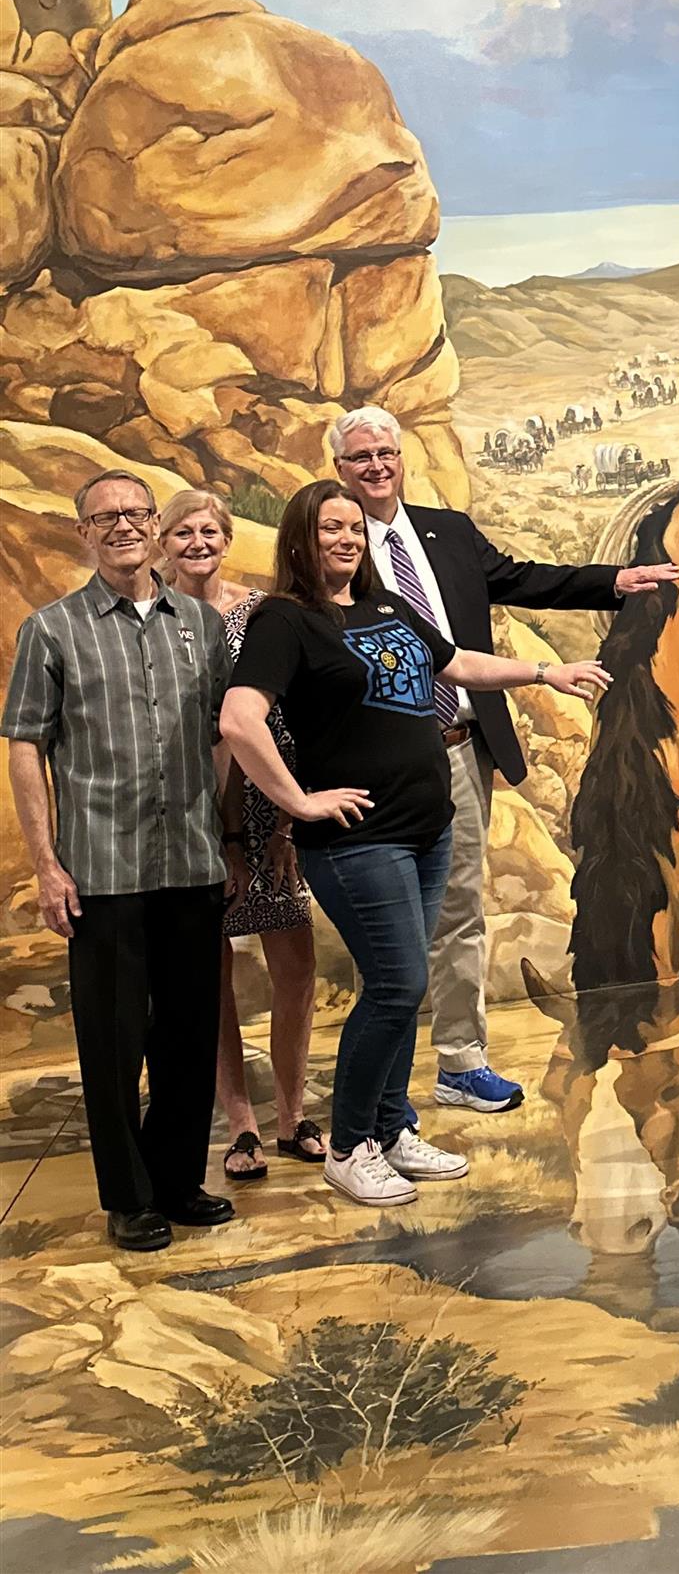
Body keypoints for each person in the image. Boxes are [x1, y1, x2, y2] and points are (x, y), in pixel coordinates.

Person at [220, 479, 612, 1207]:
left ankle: (392, 1127)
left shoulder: (388, 606)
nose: (345, 538)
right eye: (329, 527)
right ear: (300, 539)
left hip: (427, 829)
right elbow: (240, 719)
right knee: (397, 986)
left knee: (402, 988)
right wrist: (297, 801)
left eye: (353, 527)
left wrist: (546, 672)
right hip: (358, 841)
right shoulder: (285, 619)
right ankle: (349, 1146)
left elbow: (456, 664)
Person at [328, 406, 678, 1117]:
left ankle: (461, 1064)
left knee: (459, 913)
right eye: (360, 457)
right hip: (378, 764)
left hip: (459, 749)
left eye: (385, 452)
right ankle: (380, 1090)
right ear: (339, 469)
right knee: (387, 932)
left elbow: (523, 579)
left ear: (401, 457)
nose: (376, 466)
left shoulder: (446, 532)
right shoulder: (332, 546)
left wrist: (615, 581)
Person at [2, 470, 233, 1251]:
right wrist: (46, 863)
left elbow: (224, 734)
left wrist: (230, 833)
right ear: (84, 533)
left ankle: (178, 1180)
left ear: (156, 524)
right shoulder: (52, 630)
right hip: (101, 873)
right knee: (112, 1043)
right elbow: (26, 747)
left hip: (192, 864)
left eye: (137, 513)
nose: (124, 526)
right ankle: (129, 1197)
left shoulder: (200, 625)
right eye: (106, 518)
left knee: (189, 1036)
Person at [157, 489, 324, 1184]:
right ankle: (240, 1123)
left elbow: (292, 715)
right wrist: (226, 840)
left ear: (227, 539)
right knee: (212, 970)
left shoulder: (262, 613)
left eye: (210, 531)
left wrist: (285, 820)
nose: (198, 542)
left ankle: (292, 1113)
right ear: (164, 542)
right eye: (183, 532)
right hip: (188, 808)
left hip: (269, 801)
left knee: (296, 965)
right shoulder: (152, 617)